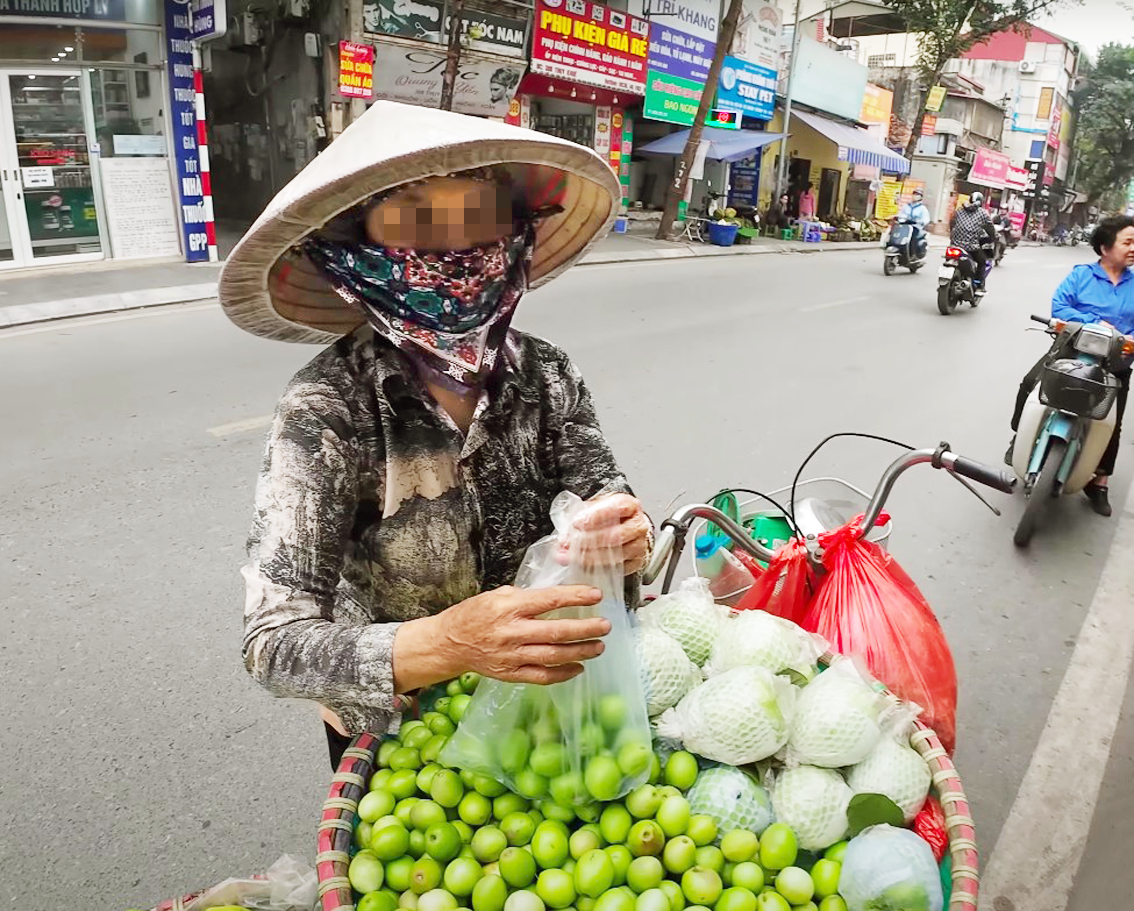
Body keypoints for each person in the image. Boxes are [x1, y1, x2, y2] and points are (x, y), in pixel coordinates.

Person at [219, 102, 652, 769]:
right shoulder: (328, 406)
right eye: (417, 219)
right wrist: (450, 642)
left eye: (476, 216)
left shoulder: (547, 373)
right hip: (404, 730)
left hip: (554, 712)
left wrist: (625, 533)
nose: (451, 250)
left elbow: (607, 494)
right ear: (352, 244)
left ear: (515, 233)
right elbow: (275, 641)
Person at [1008, 216, 1134, 516]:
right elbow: (1060, 306)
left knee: (1111, 421)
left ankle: (1099, 480)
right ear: (1105, 247)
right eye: (1127, 242)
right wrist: (1096, 322)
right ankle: (1019, 438)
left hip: (1117, 360)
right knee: (1029, 386)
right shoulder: (1081, 276)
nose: (1133, 248)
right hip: (1073, 350)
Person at [949, 191, 996, 295]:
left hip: (955, 245)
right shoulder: (983, 213)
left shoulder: (959, 211)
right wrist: (992, 237)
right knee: (982, 262)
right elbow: (990, 229)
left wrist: (952, 237)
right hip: (971, 247)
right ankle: (978, 285)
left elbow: (952, 223)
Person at [897, 188, 930, 259]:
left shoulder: (922, 208)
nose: (915, 196)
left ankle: (913, 254)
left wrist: (920, 222)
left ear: (921, 197)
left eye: (918, 195)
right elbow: (901, 214)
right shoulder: (907, 206)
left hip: (916, 227)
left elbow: (925, 219)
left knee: (913, 239)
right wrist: (900, 218)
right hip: (905, 226)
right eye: (914, 194)